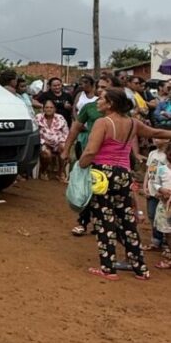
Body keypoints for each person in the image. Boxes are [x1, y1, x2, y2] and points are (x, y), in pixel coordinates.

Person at [77, 87, 169, 279]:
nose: (97, 101)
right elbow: (157, 131)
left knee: (105, 221)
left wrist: (80, 167)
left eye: (101, 99)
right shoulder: (132, 123)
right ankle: (141, 269)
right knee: (128, 222)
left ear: (110, 104)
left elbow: (91, 151)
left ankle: (108, 269)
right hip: (124, 175)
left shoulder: (103, 122)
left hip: (103, 174)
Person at [62, 74, 112, 235]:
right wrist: (65, 149)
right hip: (90, 154)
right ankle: (83, 222)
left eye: (105, 87)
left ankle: (103, 224)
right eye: (99, 87)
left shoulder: (123, 111)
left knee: (108, 191)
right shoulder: (90, 108)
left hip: (113, 158)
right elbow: (75, 128)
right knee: (87, 188)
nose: (100, 90)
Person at [37, 100, 69, 181]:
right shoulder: (38, 117)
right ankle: (43, 171)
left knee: (64, 148)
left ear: (55, 109)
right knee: (46, 153)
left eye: (51, 107)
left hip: (58, 143)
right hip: (44, 143)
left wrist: (61, 142)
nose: (49, 109)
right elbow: (34, 133)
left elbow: (66, 133)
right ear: (43, 109)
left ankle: (61, 172)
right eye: (47, 107)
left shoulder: (60, 118)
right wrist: (43, 141)